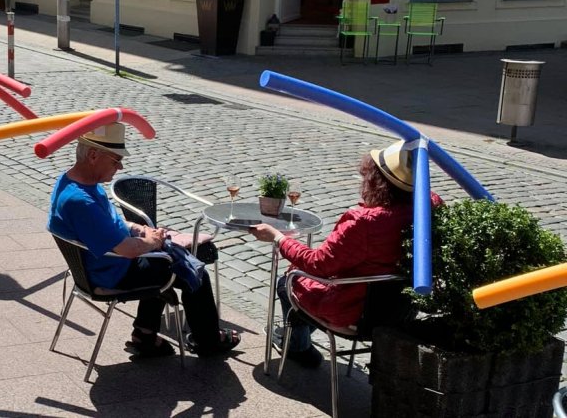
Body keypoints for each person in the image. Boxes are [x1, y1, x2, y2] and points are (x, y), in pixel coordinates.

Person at [48, 123, 241, 357]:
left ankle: (145, 334)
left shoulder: (73, 183)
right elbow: (129, 250)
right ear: (93, 155)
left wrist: (137, 228)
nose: (120, 166)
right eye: (115, 160)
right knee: (193, 270)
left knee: (170, 259)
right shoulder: (81, 201)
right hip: (112, 273)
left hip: (99, 266)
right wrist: (154, 241)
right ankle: (208, 341)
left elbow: (108, 224)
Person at [247, 140, 444, 368]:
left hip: (354, 311)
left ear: (375, 180)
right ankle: (296, 336)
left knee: (288, 281)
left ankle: (298, 347)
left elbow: (318, 264)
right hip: (400, 311)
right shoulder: (430, 205)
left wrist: (278, 237)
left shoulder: (365, 221)